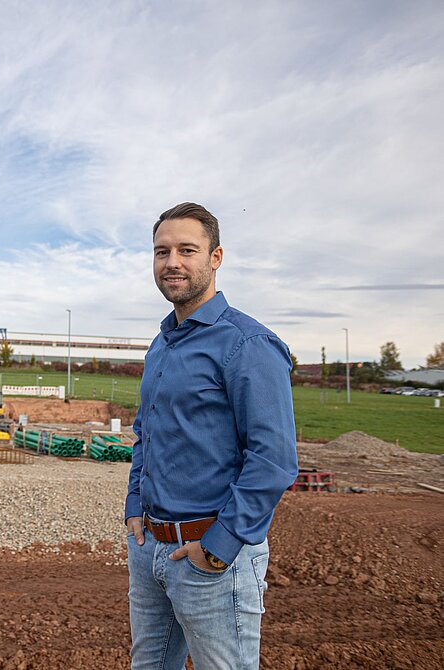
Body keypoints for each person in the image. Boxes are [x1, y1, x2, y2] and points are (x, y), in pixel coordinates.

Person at [125, 202, 298, 669]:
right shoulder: (162, 343)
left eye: (187, 250)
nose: (172, 263)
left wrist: (219, 549)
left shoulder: (248, 344)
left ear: (216, 257)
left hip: (212, 559)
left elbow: (274, 460)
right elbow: (147, 432)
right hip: (150, 551)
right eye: (162, 252)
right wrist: (134, 508)